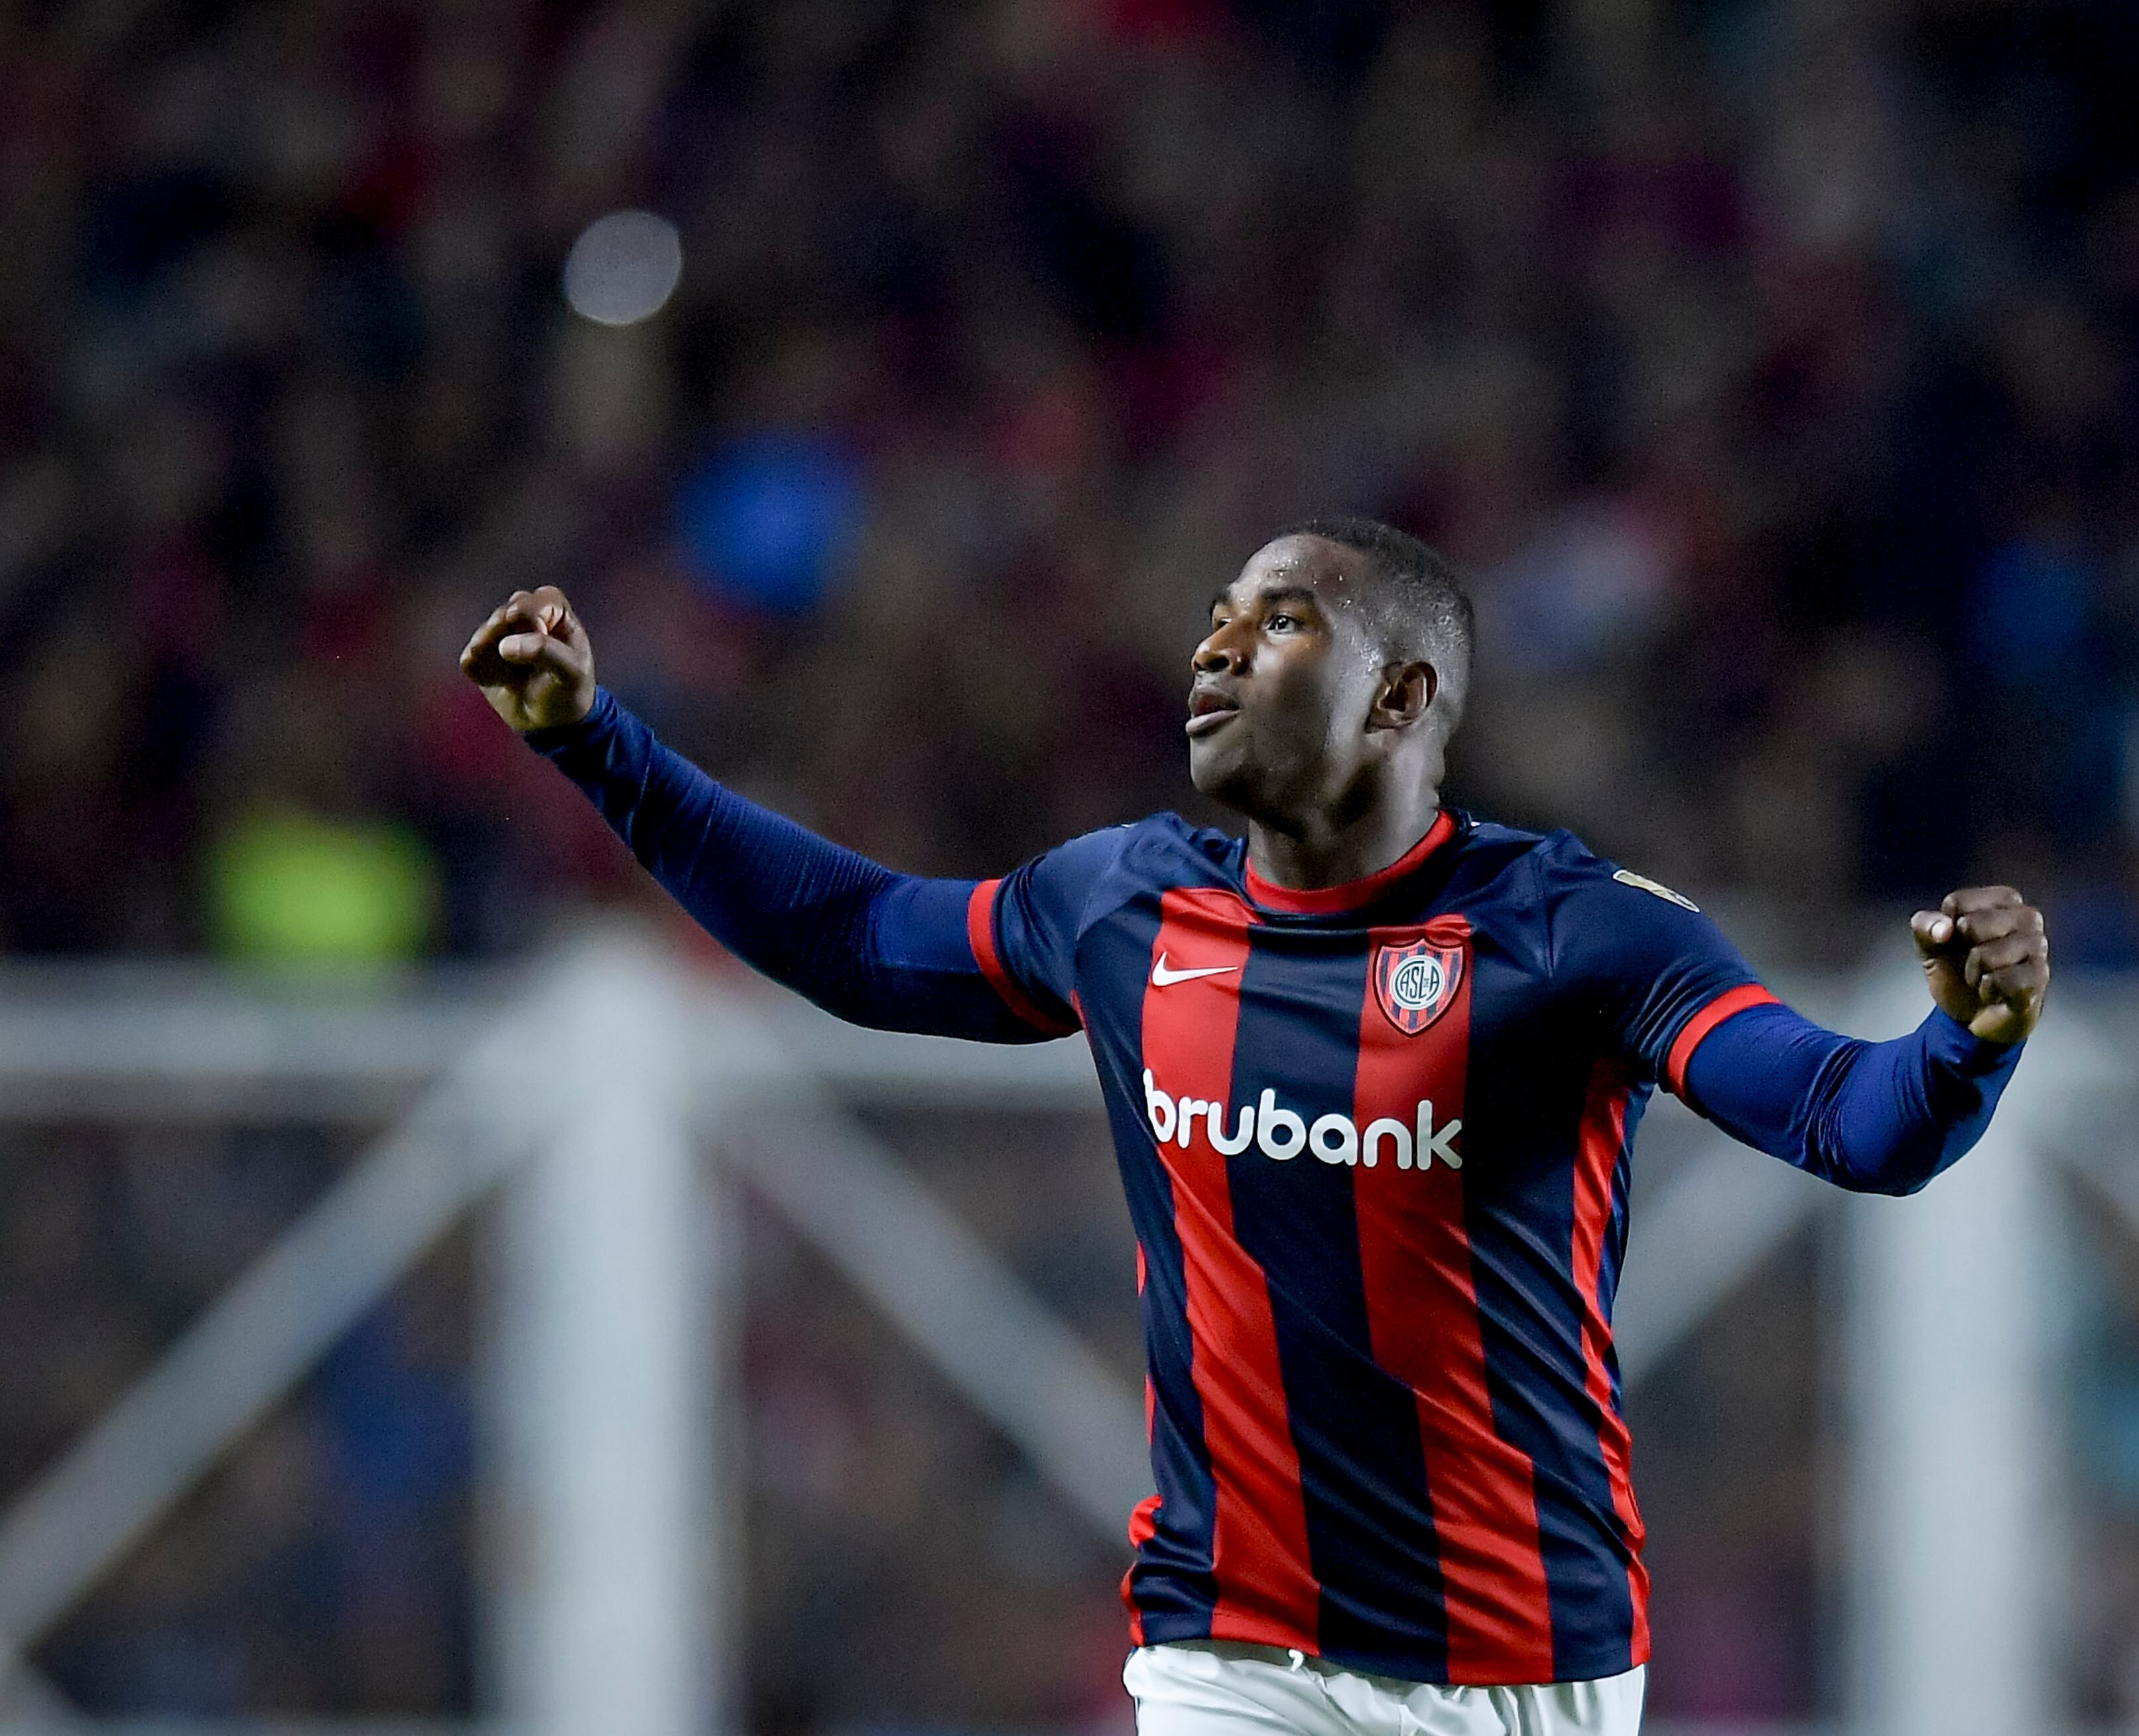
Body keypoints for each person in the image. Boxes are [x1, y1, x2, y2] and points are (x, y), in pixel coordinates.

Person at [461, 517, 2049, 1736]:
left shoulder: (1576, 936)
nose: (1214, 651)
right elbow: (864, 940)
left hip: (1530, 1659)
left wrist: (1966, 1041)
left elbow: (1854, 1121)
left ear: (1401, 693)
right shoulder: (1125, 904)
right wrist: (601, 744)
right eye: (1215, 620)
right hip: (1233, 1644)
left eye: (1278, 621)